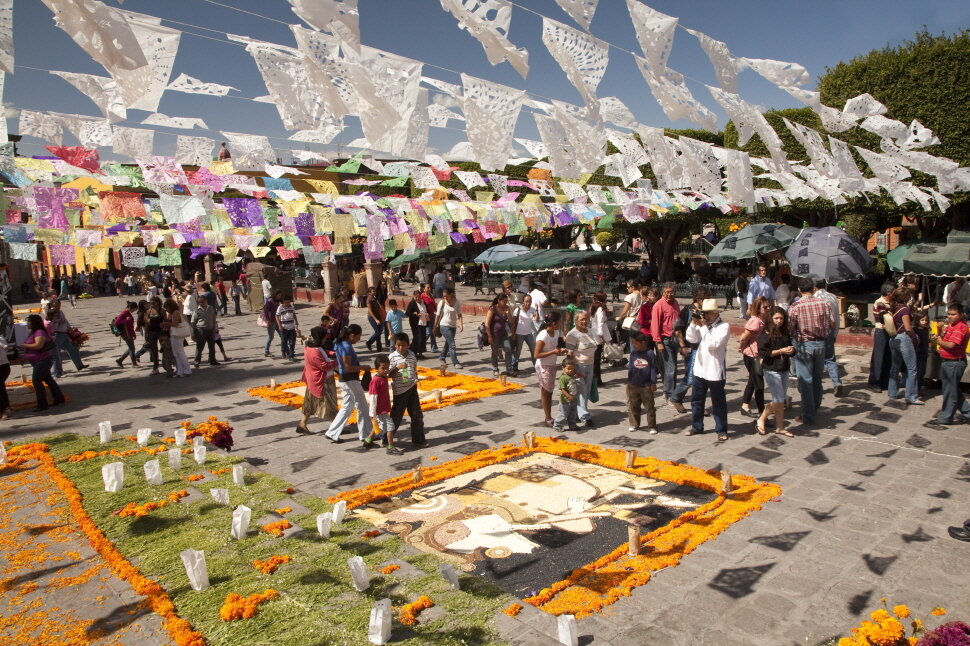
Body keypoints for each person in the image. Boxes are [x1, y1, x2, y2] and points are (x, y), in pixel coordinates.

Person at [788, 277, 833, 425]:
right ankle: (815, 405)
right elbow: (831, 323)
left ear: (800, 290)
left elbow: (790, 327)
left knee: (806, 380)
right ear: (813, 289)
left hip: (805, 344)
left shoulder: (796, 305)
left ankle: (808, 414)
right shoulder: (824, 304)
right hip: (821, 343)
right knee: (817, 377)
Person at [685, 299, 731, 442]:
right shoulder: (702, 325)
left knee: (718, 402)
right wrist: (693, 323)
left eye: (709, 313)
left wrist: (703, 326)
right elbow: (691, 339)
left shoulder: (724, 326)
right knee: (696, 400)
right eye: (704, 313)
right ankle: (697, 426)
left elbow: (713, 345)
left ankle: (721, 429)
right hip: (700, 369)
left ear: (716, 313)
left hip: (714, 370)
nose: (706, 316)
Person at [669, 287, 713, 415]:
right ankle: (676, 397)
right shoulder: (687, 311)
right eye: (704, 299)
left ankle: (698, 405)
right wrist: (682, 346)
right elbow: (677, 329)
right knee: (691, 377)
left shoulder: (706, 310)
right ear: (698, 299)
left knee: (702, 378)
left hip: (704, 347)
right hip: (691, 347)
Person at [324, 324, 371, 444]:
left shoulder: (341, 343)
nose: (359, 339)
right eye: (358, 336)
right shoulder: (345, 346)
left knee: (348, 406)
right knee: (362, 406)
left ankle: (332, 432)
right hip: (350, 379)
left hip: (345, 379)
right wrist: (363, 367)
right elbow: (348, 367)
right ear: (351, 335)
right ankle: (365, 434)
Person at [757, 307, 797, 436]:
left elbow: (790, 348)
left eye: (781, 318)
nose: (779, 321)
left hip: (784, 368)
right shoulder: (766, 333)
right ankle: (762, 419)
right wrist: (781, 351)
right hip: (771, 369)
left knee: (780, 401)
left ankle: (779, 427)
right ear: (771, 319)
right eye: (776, 318)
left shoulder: (784, 332)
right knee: (778, 399)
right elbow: (764, 353)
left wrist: (791, 350)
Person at [929, 305, 970, 428]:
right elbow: (945, 338)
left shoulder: (961, 328)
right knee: (953, 390)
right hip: (948, 362)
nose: (950, 317)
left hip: (954, 363)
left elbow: (951, 345)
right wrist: (940, 332)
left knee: (949, 392)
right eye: (949, 314)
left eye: (953, 314)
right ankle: (968, 412)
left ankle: (946, 417)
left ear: (961, 314)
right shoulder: (951, 326)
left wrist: (938, 341)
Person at [296, 326, 339, 435]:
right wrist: (337, 361)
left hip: (313, 379)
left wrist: (331, 354)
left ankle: (302, 424)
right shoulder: (313, 351)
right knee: (330, 403)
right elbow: (324, 366)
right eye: (324, 337)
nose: (326, 339)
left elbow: (323, 352)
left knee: (309, 403)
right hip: (322, 381)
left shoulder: (312, 346)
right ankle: (336, 427)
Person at [386, 333, 426, 451]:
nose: (401, 348)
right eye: (398, 345)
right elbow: (388, 374)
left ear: (408, 345)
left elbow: (414, 368)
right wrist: (397, 367)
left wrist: (415, 378)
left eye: (403, 345)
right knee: (396, 416)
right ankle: (386, 438)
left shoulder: (412, 355)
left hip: (412, 388)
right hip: (400, 391)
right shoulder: (392, 357)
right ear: (395, 345)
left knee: (417, 415)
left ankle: (419, 440)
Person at [887, 287, 923, 405]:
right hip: (904, 339)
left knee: (895, 367)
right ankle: (911, 396)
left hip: (894, 338)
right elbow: (908, 328)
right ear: (906, 297)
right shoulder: (904, 310)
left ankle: (892, 393)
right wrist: (915, 337)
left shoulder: (894, 308)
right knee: (912, 368)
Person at [21, 314, 64, 412]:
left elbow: (38, 345)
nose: (27, 323)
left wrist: (23, 345)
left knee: (36, 381)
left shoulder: (39, 332)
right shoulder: (33, 332)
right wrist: (24, 357)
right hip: (37, 361)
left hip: (42, 360)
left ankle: (42, 404)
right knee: (48, 379)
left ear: (34, 322)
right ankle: (58, 398)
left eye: (29, 321)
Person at [738, 296, 771, 419]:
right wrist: (742, 347)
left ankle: (745, 406)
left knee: (752, 381)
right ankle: (763, 415)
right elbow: (743, 338)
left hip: (757, 355)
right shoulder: (755, 321)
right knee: (759, 385)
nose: (768, 309)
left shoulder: (763, 319)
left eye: (769, 306)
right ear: (758, 308)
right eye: (765, 307)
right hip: (753, 356)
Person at [565, 311, 598, 429]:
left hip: (590, 365)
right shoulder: (572, 334)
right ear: (576, 321)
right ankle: (585, 417)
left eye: (586, 319)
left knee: (586, 391)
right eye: (581, 320)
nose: (584, 322)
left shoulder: (590, 331)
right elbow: (569, 355)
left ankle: (579, 414)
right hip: (578, 366)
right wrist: (574, 370)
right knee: (582, 392)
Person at [534, 312, 566, 426]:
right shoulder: (543, 335)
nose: (560, 324)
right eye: (558, 322)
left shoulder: (556, 332)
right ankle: (547, 417)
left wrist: (561, 350)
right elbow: (536, 354)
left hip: (552, 364)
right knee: (545, 391)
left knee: (550, 391)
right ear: (553, 323)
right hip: (543, 365)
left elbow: (558, 344)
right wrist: (553, 352)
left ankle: (549, 415)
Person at [813, 279, 844, 396]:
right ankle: (836, 382)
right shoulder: (832, 297)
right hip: (830, 331)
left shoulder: (814, 298)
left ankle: (817, 387)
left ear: (815, 287)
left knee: (817, 361)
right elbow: (836, 316)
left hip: (817, 332)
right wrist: (835, 333)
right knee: (830, 358)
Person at [361, 354, 397, 452]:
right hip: (380, 409)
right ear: (377, 368)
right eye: (383, 368)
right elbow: (373, 397)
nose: (386, 370)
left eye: (387, 368)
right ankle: (390, 447)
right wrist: (372, 414)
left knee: (380, 426)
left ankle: (368, 441)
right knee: (390, 426)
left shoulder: (384, 377)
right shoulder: (376, 381)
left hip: (384, 407)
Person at [651, 283, 680, 403]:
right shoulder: (659, 305)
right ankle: (669, 393)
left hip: (675, 339)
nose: (669, 294)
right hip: (665, 339)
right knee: (670, 367)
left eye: (671, 291)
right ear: (663, 293)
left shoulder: (676, 303)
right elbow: (655, 325)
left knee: (674, 368)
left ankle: (670, 390)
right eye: (667, 292)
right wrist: (658, 342)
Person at [626, 332, 657, 434]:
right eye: (632, 343)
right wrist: (629, 382)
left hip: (646, 385)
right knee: (633, 405)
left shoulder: (650, 354)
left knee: (649, 406)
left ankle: (652, 426)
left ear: (643, 343)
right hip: (633, 384)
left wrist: (653, 383)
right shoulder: (633, 354)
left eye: (635, 343)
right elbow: (631, 367)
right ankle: (634, 424)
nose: (633, 345)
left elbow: (653, 369)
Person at [46, 298, 85, 378]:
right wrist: (58, 322)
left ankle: (79, 365)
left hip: (64, 334)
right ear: (52, 305)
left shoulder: (60, 312)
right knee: (57, 356)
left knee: (72, 349)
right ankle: (57, 373)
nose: (58, 307)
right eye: (56, 306)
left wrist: (70, 328)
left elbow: (65, 321)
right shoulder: (51, 313)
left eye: (59, 305)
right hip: (56, 335)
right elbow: (50, 325)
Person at [868, 283, 895, 392]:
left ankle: (884, 381)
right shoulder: (880, 302)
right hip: (882, 331)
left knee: (888, 357)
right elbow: (885, 318)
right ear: (889, 293)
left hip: (889, 332)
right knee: (878, 357)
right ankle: (874, 382)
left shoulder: (890, 302)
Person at [433, 288, 463, 370]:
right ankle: (455, 362)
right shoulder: (441, 303)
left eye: (447, 296)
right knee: (452, 344)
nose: (445, 298)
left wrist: (461, 324)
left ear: (451, 294)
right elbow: (438, 315)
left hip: (453, 326)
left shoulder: (457, 302)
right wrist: (435, 326)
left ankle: (442, 357)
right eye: (444, 296)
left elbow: (459, 314)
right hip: (444, 325)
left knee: (448, 343)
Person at [484, 293, 513, 377]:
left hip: (504, 333)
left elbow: (511, 322)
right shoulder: (493, 309)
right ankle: (495, 369)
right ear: (499, 301)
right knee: (495, 352)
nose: (505, 303)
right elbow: (487, 323)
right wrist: (489, 336)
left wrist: (508, 314)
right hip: (494, 334)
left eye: (506, 301)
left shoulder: (507, 308)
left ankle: (509, 368)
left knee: (508, 349)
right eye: (504, 301)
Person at [512, 293, 539, 377]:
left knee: (533, 349)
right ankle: (514, 367)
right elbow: (513, 322)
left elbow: (536, 319)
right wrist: (513, 333)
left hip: (528, 333)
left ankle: (536, 366)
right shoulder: (518, 310)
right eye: (526, 301)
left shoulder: (532, 309)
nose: (528, 303)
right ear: (523, 301)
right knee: (518, 351)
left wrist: (537, 310)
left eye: (530, 301)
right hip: (519, 333)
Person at [553, 358, 581, 431]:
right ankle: (557, 425)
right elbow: (562, 389)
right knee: (563, 413)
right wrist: (568, 396)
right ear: (563, 368)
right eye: (568, 368)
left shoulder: (572, 375)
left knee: (572, 414)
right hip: (565, 401)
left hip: (573, 399)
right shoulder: (563, 378)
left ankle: (572, 425)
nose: (570, 370)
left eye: (572, 369)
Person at [192, 295, 219, 367]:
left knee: (212, 346)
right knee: (200, 347)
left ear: (206, 301)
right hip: (201, 330)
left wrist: (214, 327)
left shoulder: (211, 308)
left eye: (202, 302)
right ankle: (197, 361)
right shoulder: (197, 310)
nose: (201, 303)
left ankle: (212, 360)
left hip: (210, 330)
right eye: (199, 302)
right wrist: (193, 333)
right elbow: (193, 322)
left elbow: (213, 318)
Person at [589, 292, 609, 387]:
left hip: (593, 331)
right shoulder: (600, 308)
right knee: (597, 358)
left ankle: (595, 378)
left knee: (596, 357)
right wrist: (602, 336)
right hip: (598, 333)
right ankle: (597, 380)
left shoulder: (593, 307)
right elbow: (600, 323)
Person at [617, 280, 643, 349]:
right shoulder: (642, 295)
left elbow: (625, 311)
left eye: (628, 287)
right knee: (639, 341)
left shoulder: (630, 297)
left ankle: (633, 357)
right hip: (641, 320)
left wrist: (619, 318)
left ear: (633, 287)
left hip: (632, 322)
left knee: (633, 342)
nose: (627, 288)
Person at [404, 290, 429, 359]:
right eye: (416, 297)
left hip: (423, 322)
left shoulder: (423, 303)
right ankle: (413, 352)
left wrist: (427, 314)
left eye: (419, 297)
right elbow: (407, 313)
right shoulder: (412, 303)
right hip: (415, 323)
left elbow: (427, 310)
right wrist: (415, 314)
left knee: (423, 338)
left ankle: (420, 353)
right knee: (417, 338)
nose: (418, 298)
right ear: (414, 296)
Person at [275, 294, 300, 361]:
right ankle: (284, 352)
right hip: (284, 328)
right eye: (286, 302)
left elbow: (294, 314)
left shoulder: (292, 306)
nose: (287, 303)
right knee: (284, 341)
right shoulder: (280, 307)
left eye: (289, 302)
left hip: (292, 327)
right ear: (283, 301)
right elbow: (277, 316)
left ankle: (290, 354)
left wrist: (296, 322)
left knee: (292, 342)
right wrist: (279, 326)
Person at [114, 301, 139, 368]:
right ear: (131, 308)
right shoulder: (124, 313)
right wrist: (126, 320)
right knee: (132, 348)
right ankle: (133, 363)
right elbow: (116, 323)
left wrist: (133, 333)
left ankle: (120, 360)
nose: (134, 311)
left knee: (131, 348)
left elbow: (131, 325)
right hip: (126, 334)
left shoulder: (127, 313)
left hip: (129, 333)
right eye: (134, 309)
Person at [364, 287, 386, 352]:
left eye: (375, 291)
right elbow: (370, 311)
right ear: (369, 292)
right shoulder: (368, 300)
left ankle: (379, 348)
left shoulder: (375, 298)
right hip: (372, 317)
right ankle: (369, 342)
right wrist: (376, 319)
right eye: (373, 291)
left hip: (378, 316)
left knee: (379, 331)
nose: (374, 292)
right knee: (378, 331)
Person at [262, 291, 282, 358]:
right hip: (271, 321)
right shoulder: (270, 301)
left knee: (282, 335)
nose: (279, 297)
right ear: (275, 295)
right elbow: (266, 311)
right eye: (278, 295)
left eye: (280, 295)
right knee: (270, 337)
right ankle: (266, 351)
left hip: (277, 320)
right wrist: (268, 320)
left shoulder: (277, 302)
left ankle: (285, 350)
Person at [420, 284, 439, 354]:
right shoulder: (422, 296)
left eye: (430, 287)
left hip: (432, 315)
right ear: (424, 289)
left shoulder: (431, 295)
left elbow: (433, 303)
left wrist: (436, 310)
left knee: (433, 331)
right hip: (426, 316)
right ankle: (420, 343)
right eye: (428, 287)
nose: (429, 288)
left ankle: (434, 347)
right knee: (428, 332)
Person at [0, 336, 9, 419]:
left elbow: (2, 356)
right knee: (1, 387)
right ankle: (6, 408)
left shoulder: (0, 339)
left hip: (3, 367)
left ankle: (4, 410)